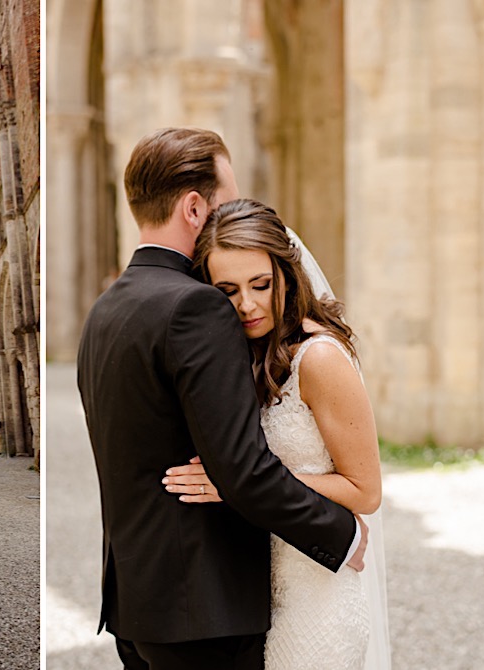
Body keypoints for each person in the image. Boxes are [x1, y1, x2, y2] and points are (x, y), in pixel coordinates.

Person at [76, 127, 368, 670]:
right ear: (193, 207)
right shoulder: (196, 307)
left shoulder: (103, 312)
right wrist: (342, 534)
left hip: (134, 605)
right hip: (205, 612)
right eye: (226, 201)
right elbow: (242, 469)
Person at [162, 198, 389, 669]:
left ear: (286, 274)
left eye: (260, 285)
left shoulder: (320, 359)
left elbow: (365, 491)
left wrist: (236, 484)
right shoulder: (238, 357)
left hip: (317, 596)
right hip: (256, 594)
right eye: (227, 290)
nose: (247, 304)